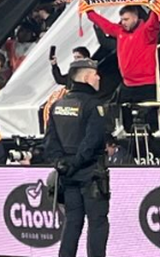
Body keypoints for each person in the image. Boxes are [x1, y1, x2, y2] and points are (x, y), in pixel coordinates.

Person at [41, 58, 110, 257]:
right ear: (87, 77)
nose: (99, 78)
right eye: (96, 74)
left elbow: (50, 140)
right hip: (91, 174)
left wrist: (61, 163)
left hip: (67, 174)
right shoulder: (93, 105)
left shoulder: (58, 105)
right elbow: (92, 142)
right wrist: (75, 163)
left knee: (72, 222)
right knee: (97, 223)